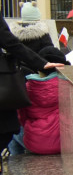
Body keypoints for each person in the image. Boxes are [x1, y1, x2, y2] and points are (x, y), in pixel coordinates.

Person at [0, 18, 64, 159]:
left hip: (34, 141)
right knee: (9, 128)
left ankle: (13, 160)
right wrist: (40, 63)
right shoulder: (64, 87)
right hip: (57, 143)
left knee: (14, 133)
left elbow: (22, 115)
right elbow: (8, 41)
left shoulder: (31, 88)